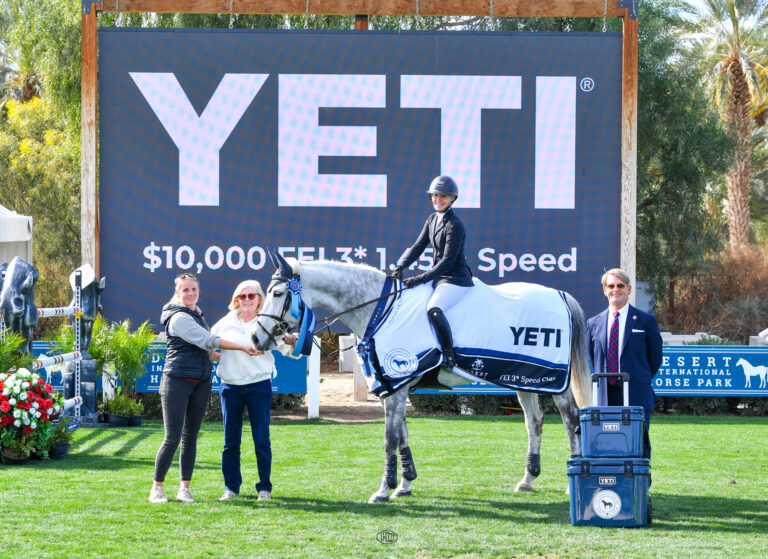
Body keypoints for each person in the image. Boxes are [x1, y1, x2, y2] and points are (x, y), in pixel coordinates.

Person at [149, 273, 258, 504]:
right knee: (172, 438)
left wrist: (242, 358)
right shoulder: (179, 318)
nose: (190, 293)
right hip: (177, 380)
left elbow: (209, 353)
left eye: (193, 289)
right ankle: (157, 488)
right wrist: (242, 348)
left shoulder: (197, 314)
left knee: (190, 438)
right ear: (177, 292)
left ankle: (184, 489)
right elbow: (209, 341)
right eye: (185, 290)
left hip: (200, 382)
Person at [210, 280, 298, 502]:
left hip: (259, 386)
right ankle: (231, 488)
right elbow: (209, 350)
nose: (247, 300)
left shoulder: (268, 323)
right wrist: (228, 357)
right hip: (230, 387)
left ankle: (264, 488)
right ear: (236, 299)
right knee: (230, 441)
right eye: (242, 296)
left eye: (251, 296)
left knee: (261, 439)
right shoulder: (223, 323)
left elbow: (291, 351)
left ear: (260, 299)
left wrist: (291, 340)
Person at [392, 175, 473, 369]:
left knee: (434, 309)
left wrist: (418, 279)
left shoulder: (455, 224)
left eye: (444, 196)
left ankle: (449, 355)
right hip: (439, 278)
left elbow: (446, 262)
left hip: (455, 279)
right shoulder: (432, 219)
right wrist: (400, 266)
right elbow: (418, 246)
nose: (438, 199)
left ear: (453, 199)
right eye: (435, 195)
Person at [586, 268, 663, 459]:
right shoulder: (593, 323)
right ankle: (612, 484)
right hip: (604, 395)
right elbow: (592, 357)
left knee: (638, 442)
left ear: (628, 289)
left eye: (620, 285)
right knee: (607, 442)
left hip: (636, 391)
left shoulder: (645, 321)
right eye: (610, 286)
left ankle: (641, 484)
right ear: (605, 290)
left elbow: (655, 358)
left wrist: (637, 378)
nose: (615, 289)